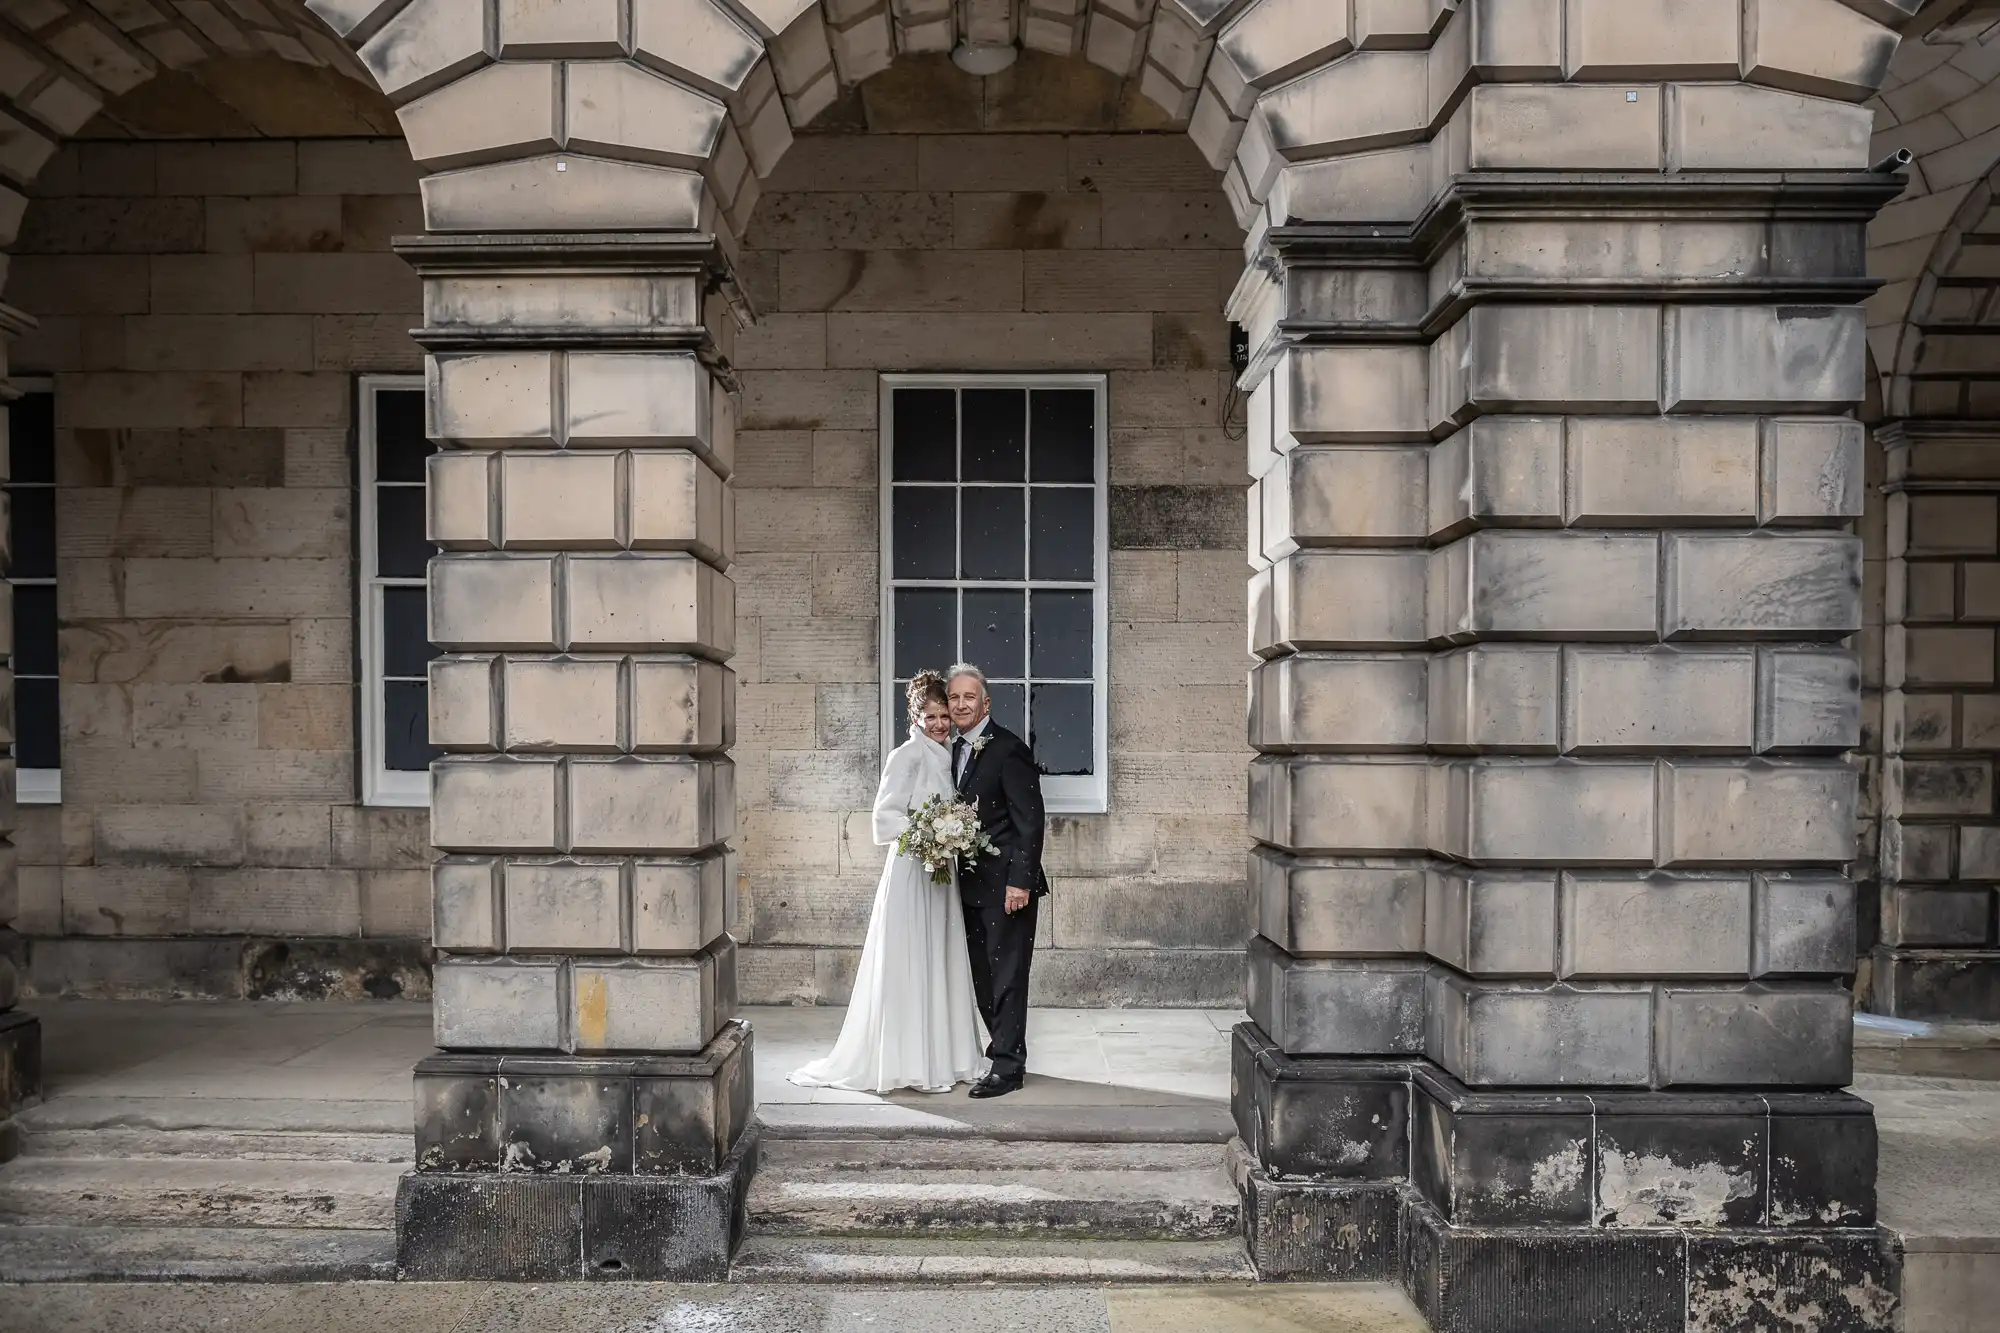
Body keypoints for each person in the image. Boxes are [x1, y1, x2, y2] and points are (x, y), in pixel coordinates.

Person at [787, 671, 989, 1094]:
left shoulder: (949, 753)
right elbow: (884, 818)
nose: (938, 724)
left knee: (941, 957)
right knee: (912, 959)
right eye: (930, 716)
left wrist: (949, 833)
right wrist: (928, 833)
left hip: (941, 874)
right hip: (913, 872)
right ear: (915, 717)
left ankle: (945, 1057)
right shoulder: (906, 756)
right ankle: (909, 1062)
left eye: (943, 715)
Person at [945, 664, 1049, 1099]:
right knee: (984, 979)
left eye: (970, 697)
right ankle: (1002, 1048)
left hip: (1008, 888)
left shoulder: (1009, 749)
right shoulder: (952, 750)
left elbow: (1031, 820)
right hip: (970, 887)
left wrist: (1020, 883)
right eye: (954, 698)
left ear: (985, 703)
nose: (961, 704)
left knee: (1006, 978)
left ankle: (1008, 1067)